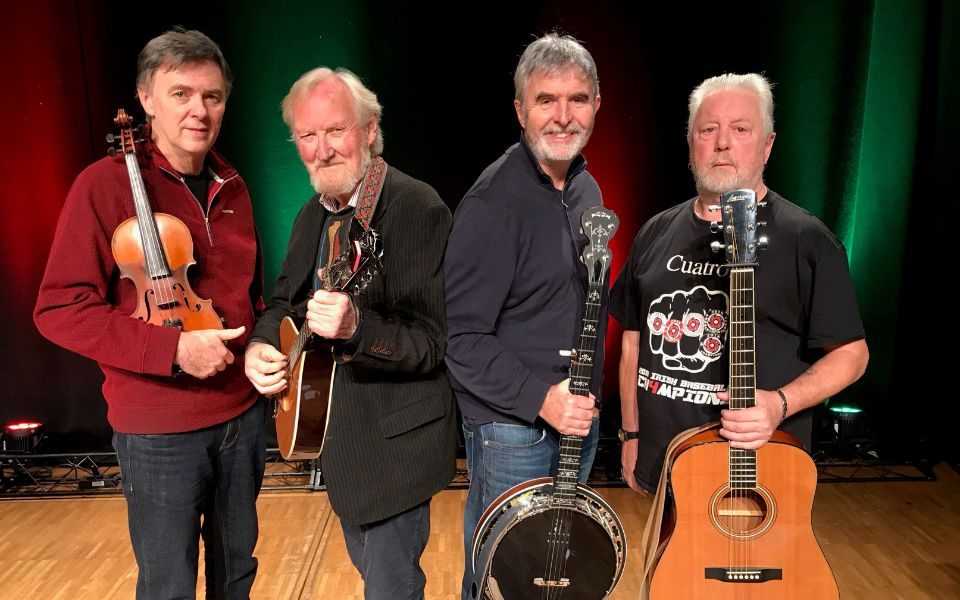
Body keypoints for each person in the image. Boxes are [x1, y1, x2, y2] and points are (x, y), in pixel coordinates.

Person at [34, 28, 266, 599]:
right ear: (146, 99)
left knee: (236, 574)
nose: (199, 110)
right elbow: (59, 308)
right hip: (159, 431)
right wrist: (173, 350)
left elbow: (248, 297)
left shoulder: (232, 183)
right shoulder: (102, 185)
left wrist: (262, 343)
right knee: (168, 585)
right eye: (180, 94)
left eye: (212, 96)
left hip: (242, 417)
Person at [244, 67, 457, 600]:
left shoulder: (416, 208)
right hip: (340, 443)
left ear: (368, 129)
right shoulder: (310, 218)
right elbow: (281, 304)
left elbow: (433, 342)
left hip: (398, 446)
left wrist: (357, 328)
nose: (322, 150)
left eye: (335, 131)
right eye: (307, 136)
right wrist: (261, 345)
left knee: (389, 590)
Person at [610, 72, 870, 493]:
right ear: (691, 143)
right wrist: (631, 435)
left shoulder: (806, 240)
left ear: (767, 145)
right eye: (708, 130)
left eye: (740, 129)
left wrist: (779, 403)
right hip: (665, 469)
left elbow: (853, 355)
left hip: (759, 478)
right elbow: (632, 342)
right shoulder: (655, 231)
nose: (722, 143)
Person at [443, 33, 606, 598]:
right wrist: (544, 400)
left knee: (552, 581)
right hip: (516, 431)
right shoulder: (492, 204)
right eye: (546, 100)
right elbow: (461, 340)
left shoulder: (586, 188)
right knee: (503, 579)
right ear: (520, 109)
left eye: (577, 99)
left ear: (596, 104)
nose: (563, 116)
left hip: (577, 422)